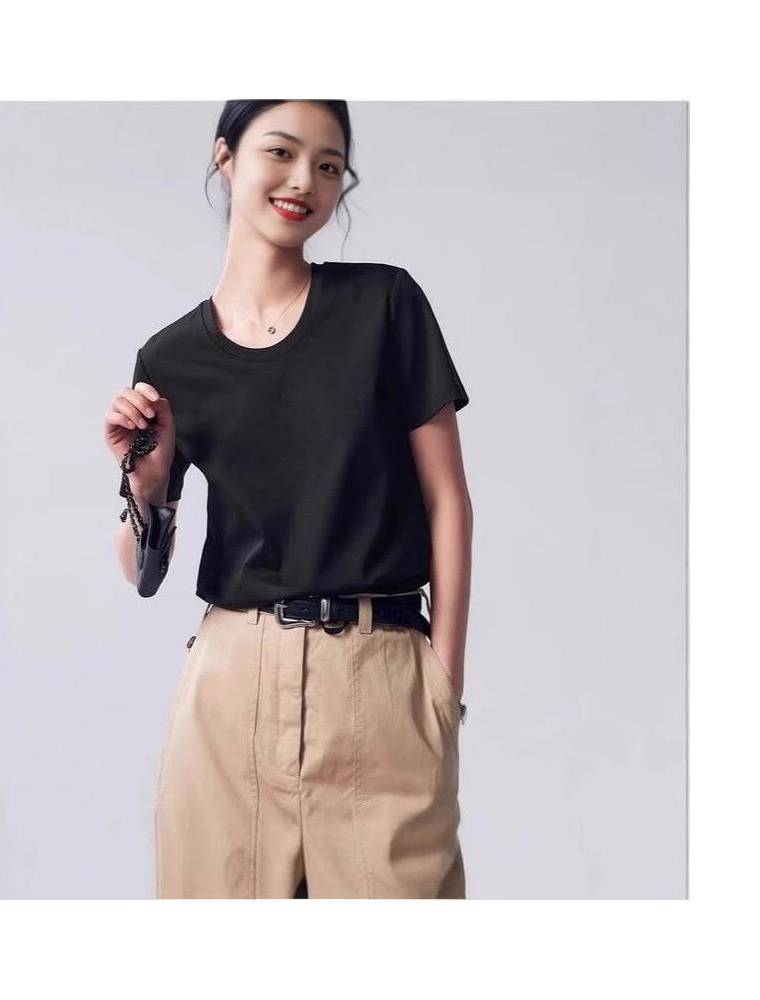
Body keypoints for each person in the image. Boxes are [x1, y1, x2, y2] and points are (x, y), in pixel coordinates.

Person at [103, 100, 473, 899]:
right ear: (226, 156)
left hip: (377, 678)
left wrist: (443, 688)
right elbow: (143, 571)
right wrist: (147, 481)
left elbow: (449, 501)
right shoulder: (171, 358)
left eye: (329, 165)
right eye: (281, 151)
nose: (304, 179)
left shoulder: (385, 306)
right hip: (229, 686)